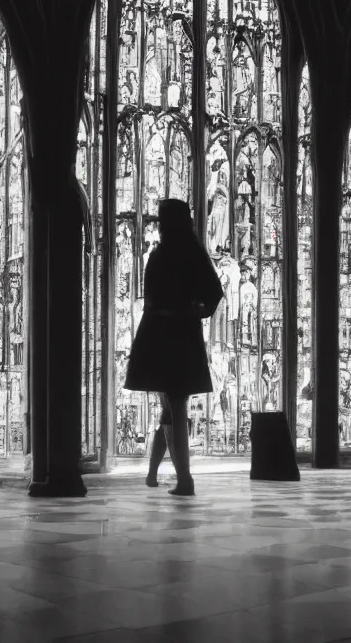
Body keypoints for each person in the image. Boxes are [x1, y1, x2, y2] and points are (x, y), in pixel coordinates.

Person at [125, 199, 223, 496]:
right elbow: (214, 293)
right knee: (171, 407)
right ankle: (157, 474)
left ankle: (184, 479)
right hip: (180, 334)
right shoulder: (191, 253)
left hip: (160, 334)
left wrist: (190, 312)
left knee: (173, 405)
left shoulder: (162, 255)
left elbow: (152, 296)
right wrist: (196, 312)